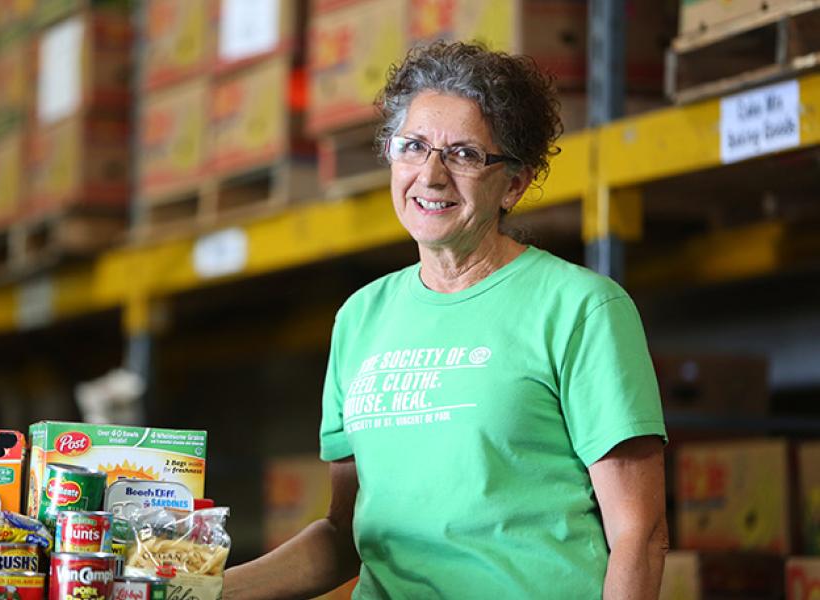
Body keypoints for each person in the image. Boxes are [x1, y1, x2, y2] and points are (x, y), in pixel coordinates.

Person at [224, 41, 668, 599]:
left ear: (514, 183)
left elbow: (640, 535)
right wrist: (198, 591)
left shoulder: (580, 308)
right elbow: (346, 536)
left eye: (463, 154)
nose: (431, 176)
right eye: (413, 147)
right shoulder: (360, 318)